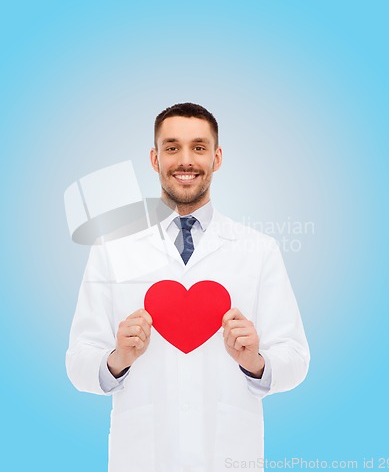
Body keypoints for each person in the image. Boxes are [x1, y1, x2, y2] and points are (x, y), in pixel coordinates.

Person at [66, 103, 310, 472]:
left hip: (228, 455)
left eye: (198, 147)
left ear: (217, 157)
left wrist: (255, 364)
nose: (185, 160)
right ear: (154, 158)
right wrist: (117, 360)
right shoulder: (112, 248)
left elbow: (295, 357)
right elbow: (78, 359)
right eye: (171, 147)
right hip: (142, 457)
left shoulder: (258, 250)